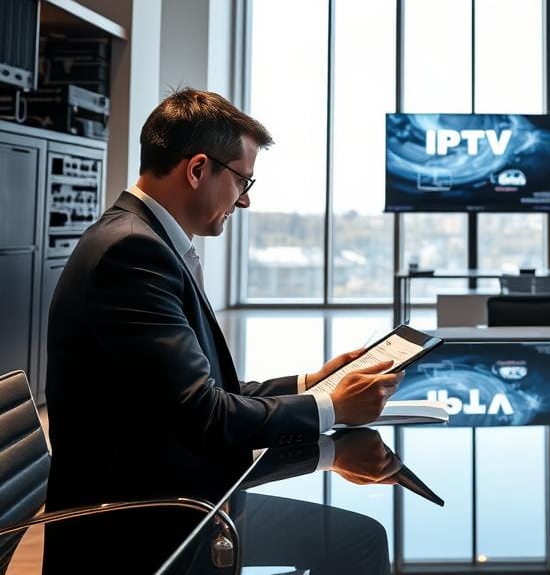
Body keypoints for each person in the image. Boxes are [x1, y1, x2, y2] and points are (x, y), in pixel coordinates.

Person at [42, 88, 399, 573]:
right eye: (243, 180)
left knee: (355, 537)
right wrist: (333, 406)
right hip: (147, 521)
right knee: (359, 541)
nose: (246, 199)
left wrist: (310, 384)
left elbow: (195, 396)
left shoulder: (141, 240)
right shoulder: (132, 255)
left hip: (175, 492)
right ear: (197, 170)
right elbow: (204, 416)